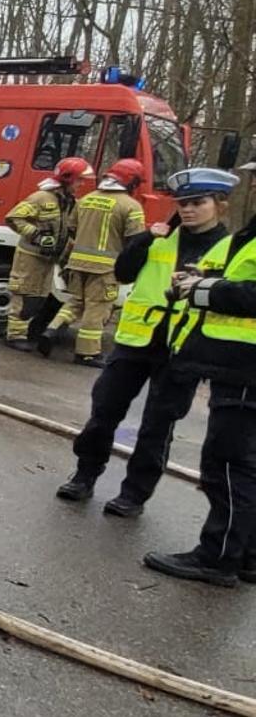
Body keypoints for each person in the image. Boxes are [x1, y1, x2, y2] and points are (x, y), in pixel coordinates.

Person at [53, 168, 232, 516]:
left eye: (198, 203)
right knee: (104, 412)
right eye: (183, 203)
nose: (189, 210)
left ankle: (134, 494)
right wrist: (144, 240)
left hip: (183, 349)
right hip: (136, 340)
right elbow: (123, 273)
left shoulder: (229, 250)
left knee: (157, 426)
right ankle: (84, 475)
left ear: (220, 205)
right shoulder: (160, 237)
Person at [145, 167, 256, 586]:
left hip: (246, 368)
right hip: (239, 365)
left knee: (228, 463)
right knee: (244, 463)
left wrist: (203, 290)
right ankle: (245, 554)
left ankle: (218, 557)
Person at [43, 158, 148, 366]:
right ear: (132, 182)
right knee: (96, 309)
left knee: (76, 302)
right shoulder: (131, 206)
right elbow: (135, 240)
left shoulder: (86, 199)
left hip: (76, 263)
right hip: (106, 267)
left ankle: (51, 329)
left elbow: (71, 228)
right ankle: (87, 353)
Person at [4, 158, 85, 349]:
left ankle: (25, 333)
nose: (81, 184)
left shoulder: (69, 202)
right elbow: (13, 217)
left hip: (49, 259)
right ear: (67, 179)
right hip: (31, 256)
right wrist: (37, 235)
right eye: (79, 180)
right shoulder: (41, 198)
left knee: (39, 297)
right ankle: (14, 336)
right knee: (25, 295)